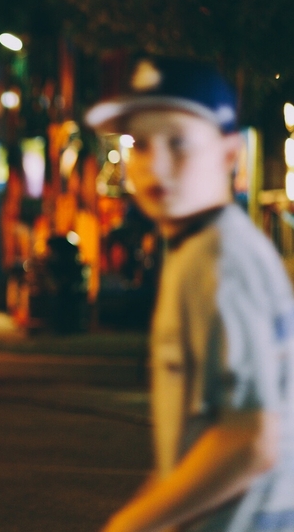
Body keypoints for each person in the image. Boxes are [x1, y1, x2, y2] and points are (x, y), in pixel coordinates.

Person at [87, 56, 294, 531]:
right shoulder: (199, 244)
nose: (154, 164)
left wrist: (130, 525)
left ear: (227, 153)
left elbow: (249, 437)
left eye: (178, 142)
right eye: (139, 144)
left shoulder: (218, 258)